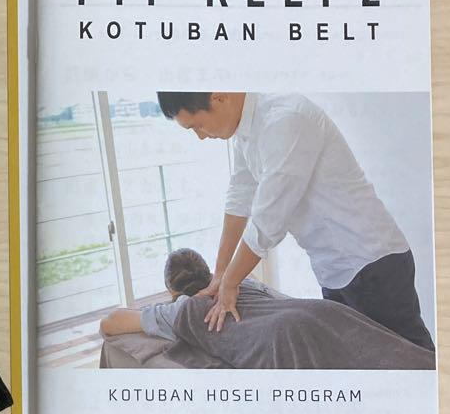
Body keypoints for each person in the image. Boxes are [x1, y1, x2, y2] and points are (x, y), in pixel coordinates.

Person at [153, 91, 435, 351]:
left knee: (413, 359)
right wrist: (220, 274)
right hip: (333, 270)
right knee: (359, 359)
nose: (201, 137)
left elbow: (268, 223)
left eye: (198, 126)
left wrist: (230, 284)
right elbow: (239, 198)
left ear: (219, 98)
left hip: (372, 262)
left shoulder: (286, 120)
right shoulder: (245, 133)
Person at [101, 247, 220, 340]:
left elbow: (108, 323)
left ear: (169, 287)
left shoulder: (179, 311)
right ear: (208, 274)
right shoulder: (228, 289)